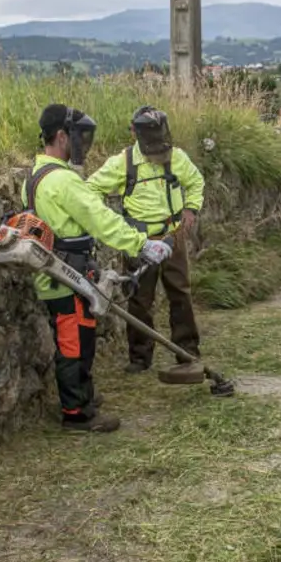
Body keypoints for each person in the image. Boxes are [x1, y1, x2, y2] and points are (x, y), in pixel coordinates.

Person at [22, 103, 173, 433]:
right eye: (79, 137)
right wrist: (141, 245)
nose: (84, 144)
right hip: (66, 275)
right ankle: (77, 413)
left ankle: (83, 394)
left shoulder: (35, 176)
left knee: (80, 337)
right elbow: (101, 219)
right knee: (74, 344)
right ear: (62, 137)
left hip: (59, 273)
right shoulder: (63, 180)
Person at [85, 105, 206, 373]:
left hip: (173, 236)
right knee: (139, 300)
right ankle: (140, 358)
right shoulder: (123, 163)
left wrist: (191, 209)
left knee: (180, 293)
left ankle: (188, 352)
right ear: (135, 134)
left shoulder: (177, 158)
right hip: (138, 241)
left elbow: (196, 182)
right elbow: (90, 189)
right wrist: (110, 221)